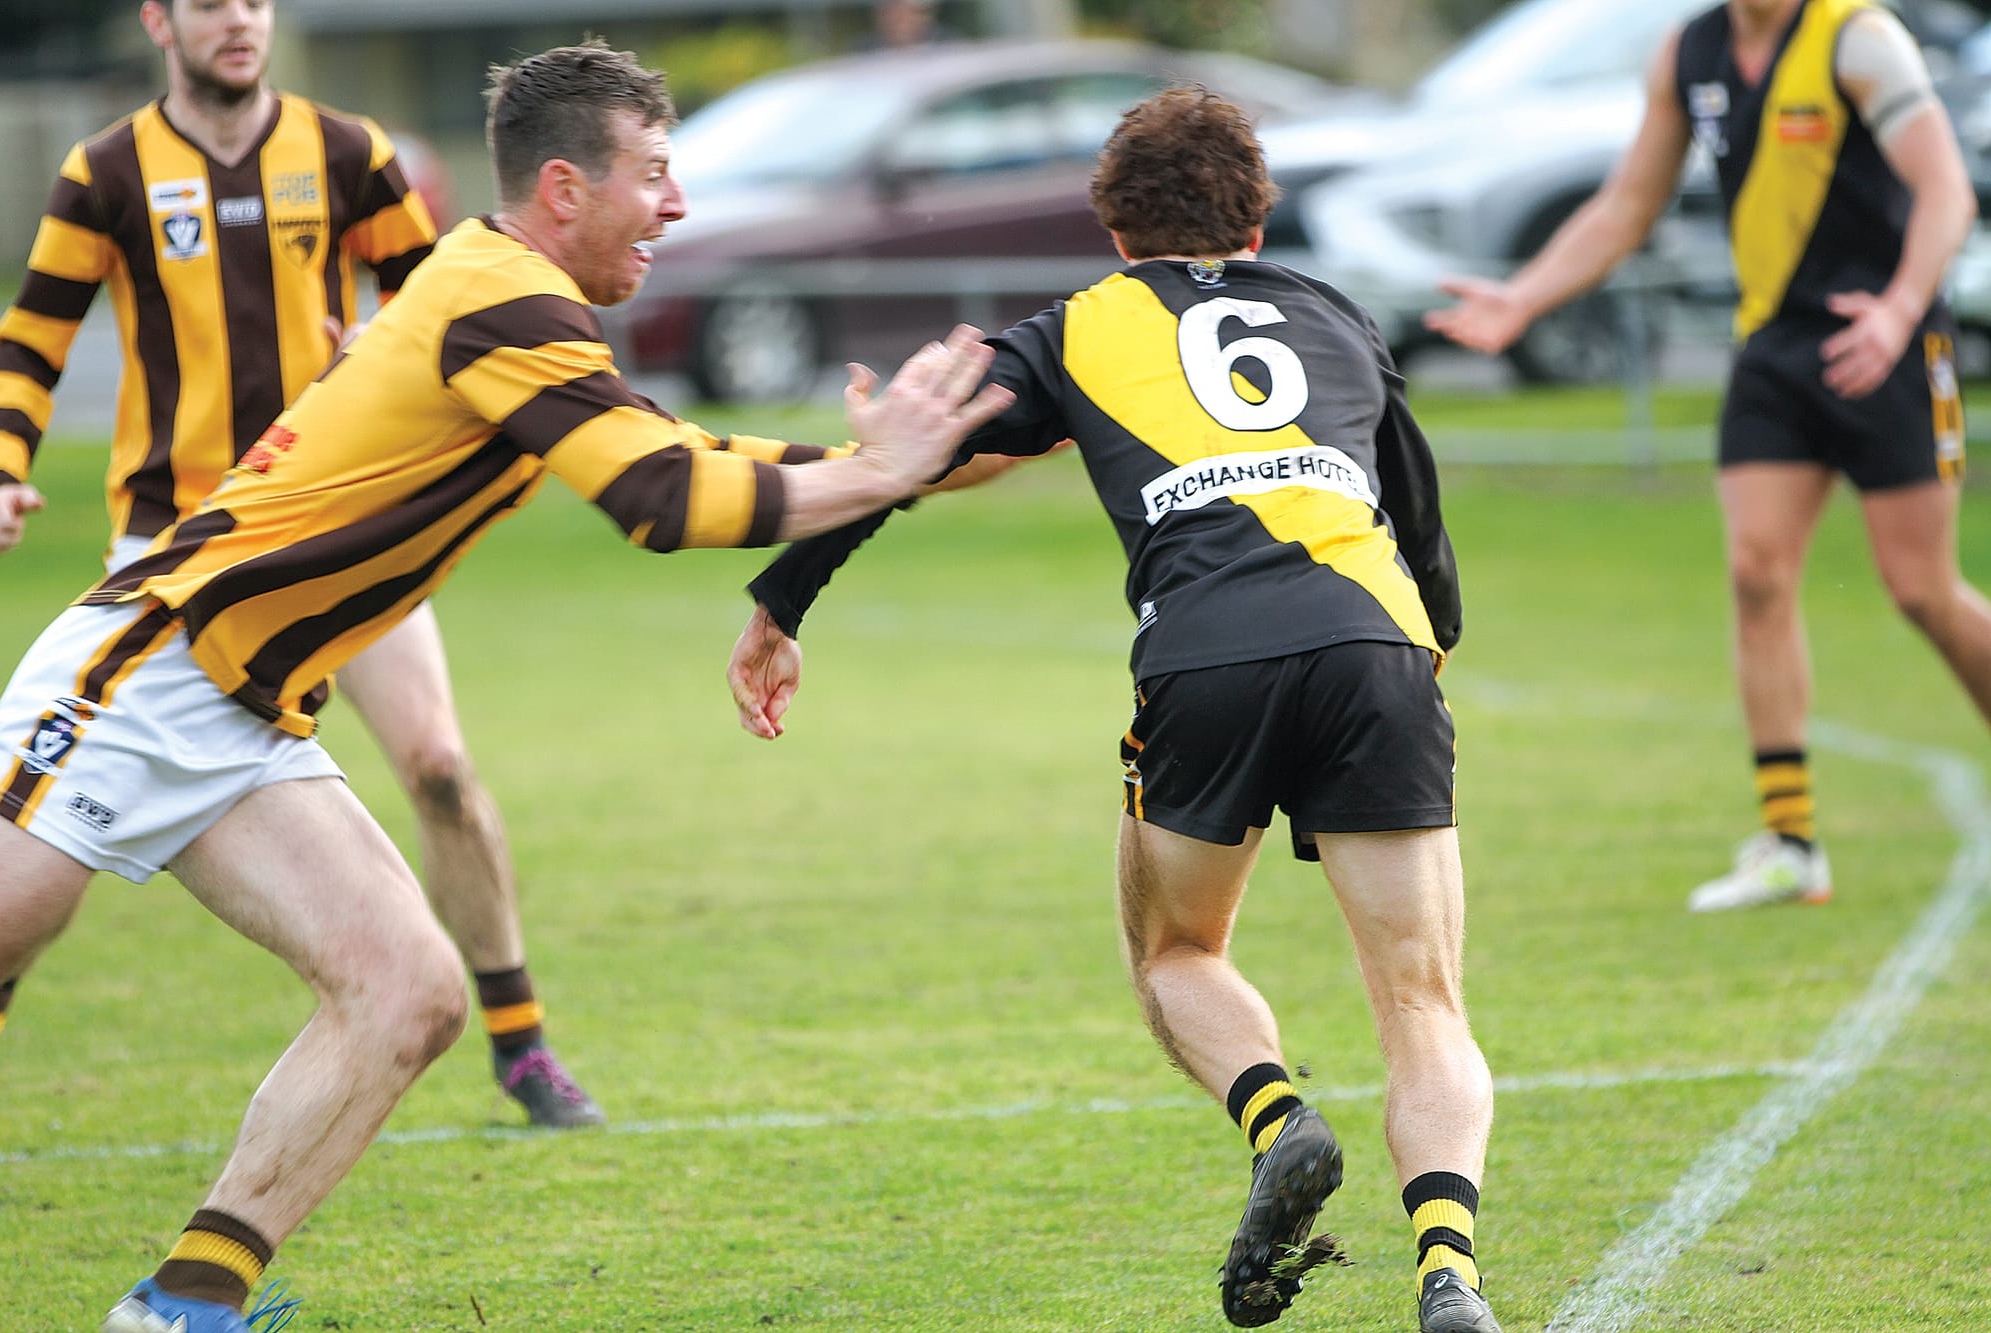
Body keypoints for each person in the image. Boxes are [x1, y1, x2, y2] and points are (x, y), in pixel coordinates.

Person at [0, 38, 1011, 1331]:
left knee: (408, 993)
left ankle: (185, 1307)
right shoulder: (498, 294)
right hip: (146, 666)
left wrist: (895, 464)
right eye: (655, 173)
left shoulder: (515, 300)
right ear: (568, 189)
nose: (679, 204)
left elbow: (677, 448)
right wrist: (878, 473)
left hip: (244, 714)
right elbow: (658, 498)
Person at [727, 88, 1502, 1333]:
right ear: (1255, 220)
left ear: (1110, 227)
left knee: (1177, 950)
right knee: (1421, 1001)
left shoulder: (1074, 327)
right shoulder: (1335, 316)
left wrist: (781, 601)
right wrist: (1421, 664)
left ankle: (1278, 1120)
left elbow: (909, 452)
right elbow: (1419, 523)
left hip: (1205, 655)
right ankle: (1447, 1271)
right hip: (1376, 647)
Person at [0, 0, 606, 1125]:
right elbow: (33, 334)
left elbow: (450, 300)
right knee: (47, 837)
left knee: (440, 768)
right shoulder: (107, 169)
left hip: (337, 536)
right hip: (174, 552)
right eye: (212, 4)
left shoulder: (347, 153)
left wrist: (387, 340)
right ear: (159, 22)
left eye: (256, 2)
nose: (240, 21)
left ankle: (520, 1043)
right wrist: (0, 464)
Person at [1425, 0, 1988, 912]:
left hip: (1884, 342)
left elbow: (1946, 190)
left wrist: (1896, 308)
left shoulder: (1857, 36)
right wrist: (1523, 300)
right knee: (1756, 572)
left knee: (1922, 590)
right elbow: (1627, 205)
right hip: (1774, 350)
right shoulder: (1690, 53)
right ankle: (1790, 839)